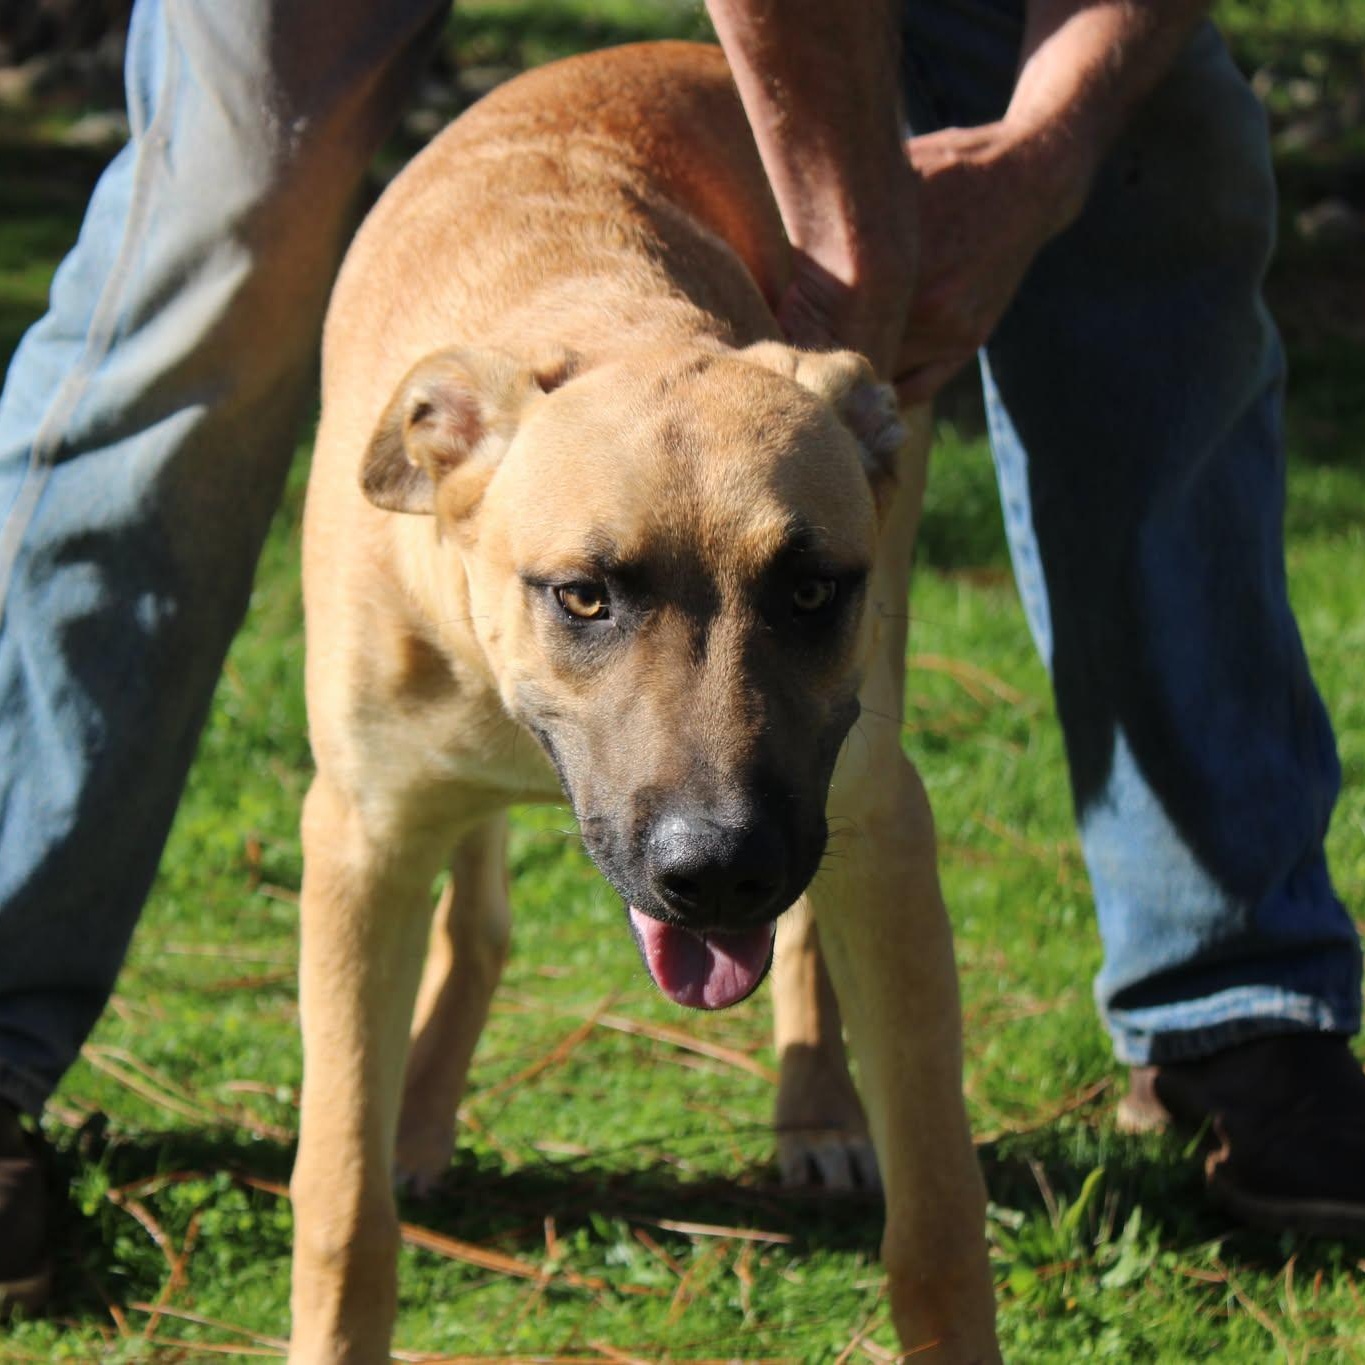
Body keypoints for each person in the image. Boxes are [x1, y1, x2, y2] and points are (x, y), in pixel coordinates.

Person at [1, 0, 1361, 1317]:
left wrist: (1048, 153)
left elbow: (867, 801)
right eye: (587, 594)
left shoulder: (823, 423)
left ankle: (1220, 1010)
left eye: (808, 586)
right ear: (430, 457)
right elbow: (365, 838)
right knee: (219, 219)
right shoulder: (429, 516)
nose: (708, 785)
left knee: (1148, 166)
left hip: (758, 283)